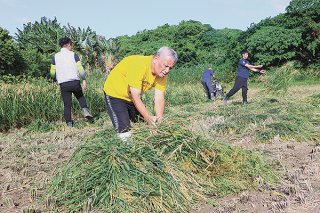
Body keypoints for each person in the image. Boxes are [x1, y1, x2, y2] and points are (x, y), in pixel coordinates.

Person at [103, 47, 178, 140]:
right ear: (156, 59)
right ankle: (125, 148)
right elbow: (136, 96)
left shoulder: (162, 74)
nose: (167, 70)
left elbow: (159, 97)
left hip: (131, 97)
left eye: (170, 68)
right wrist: (148, 118)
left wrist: (159, 120)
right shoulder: (139, 65)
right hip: (115, 94)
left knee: (143, 125)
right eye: (166, 66)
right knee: (125, 131)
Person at [50, 37, 93, 127]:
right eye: (71, 45)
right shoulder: (74, 55)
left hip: (63, 83)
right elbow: (80, 68)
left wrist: (55, 80)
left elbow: (52, 71)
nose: (72, 47)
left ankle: (69, 124)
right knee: (80, 97)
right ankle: (85, 111)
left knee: (67, 104)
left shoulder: (55, 56)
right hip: (75, 81)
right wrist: (84, 79)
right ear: (69, 44)